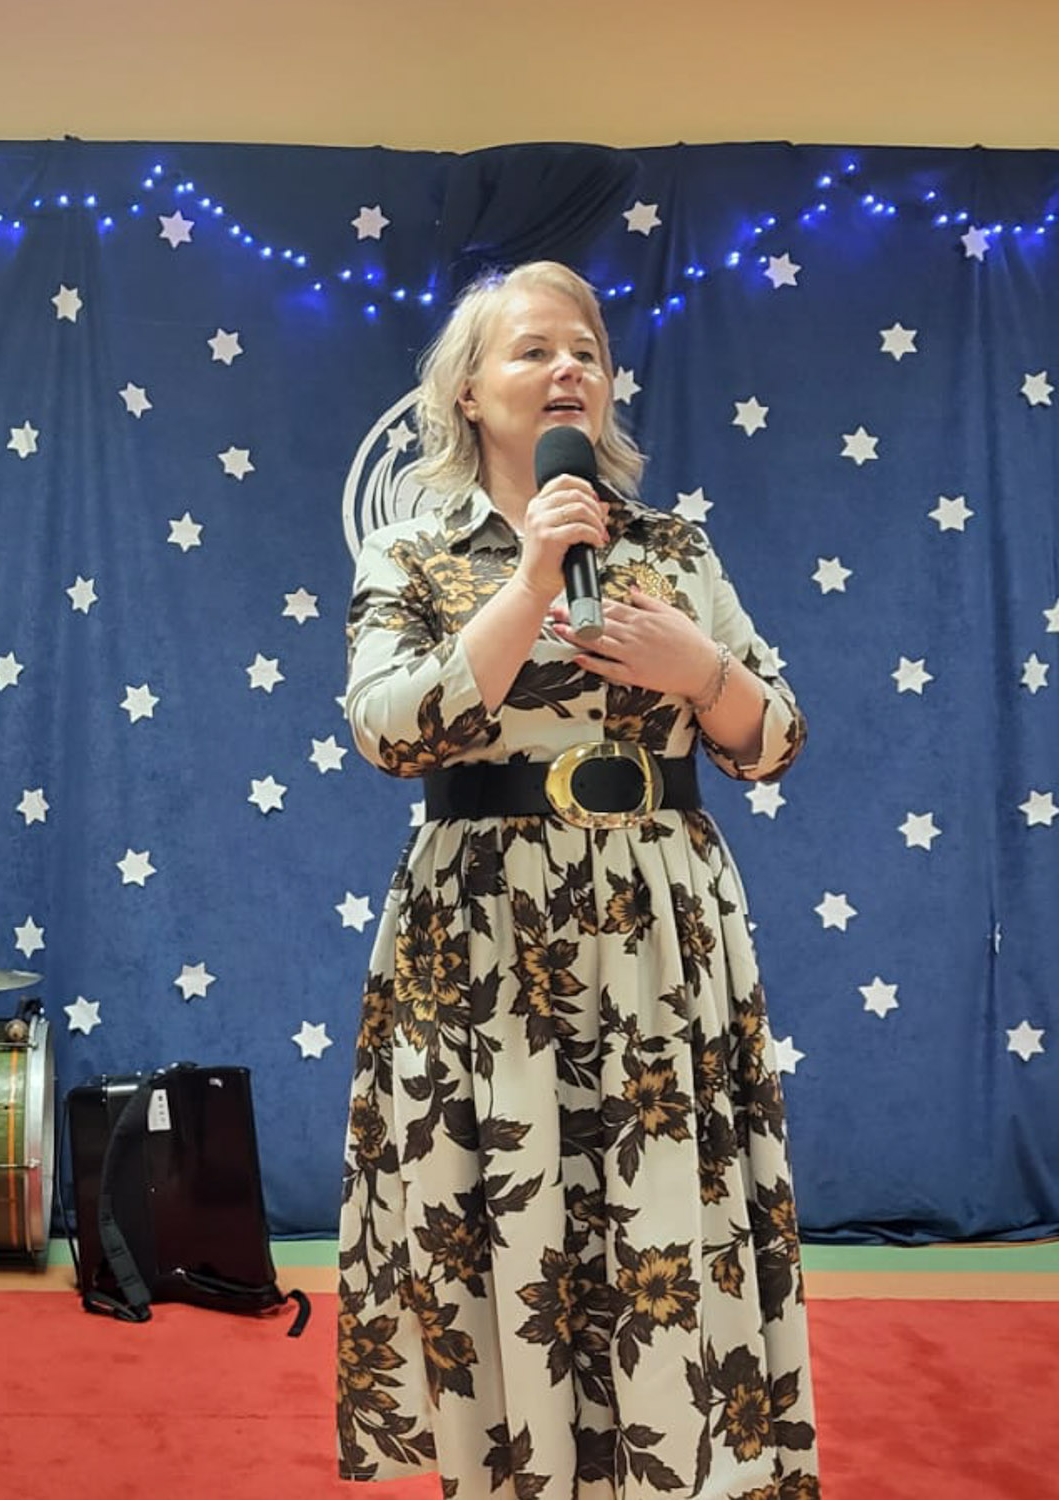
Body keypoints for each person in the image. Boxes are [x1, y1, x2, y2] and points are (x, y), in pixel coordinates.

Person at [336, 261, 819, 1499]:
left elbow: (770, 742)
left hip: (658, 924)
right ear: (467, 392)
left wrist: (697, 669)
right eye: (533, 350)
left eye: (586, 353)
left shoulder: (672, 549)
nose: (567, 369)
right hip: (484, 931)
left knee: (658, 1212)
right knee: (502, 1206)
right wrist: (527, 582)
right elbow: (390, 731)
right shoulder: (411, 549)